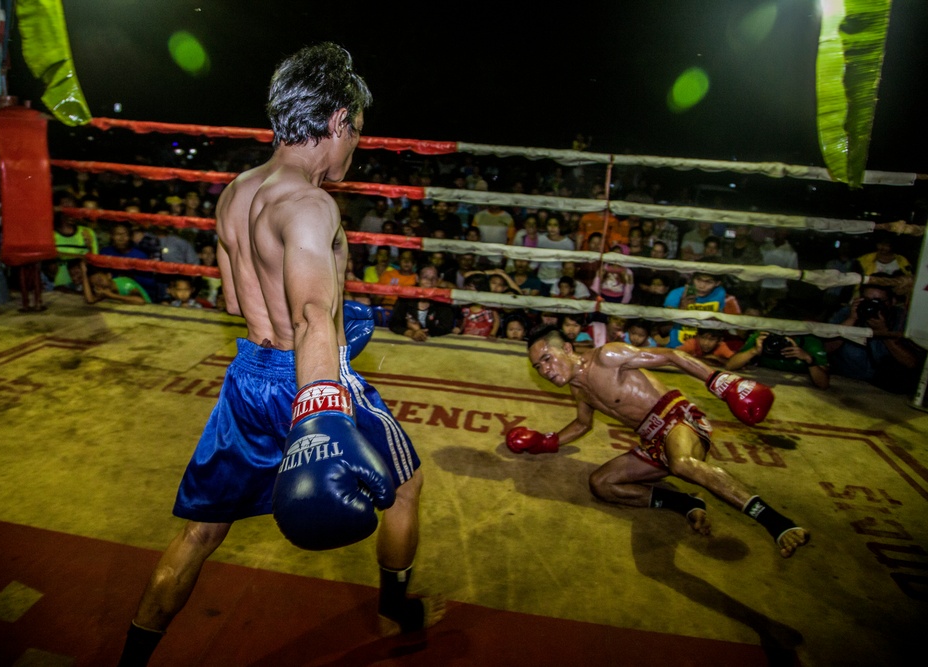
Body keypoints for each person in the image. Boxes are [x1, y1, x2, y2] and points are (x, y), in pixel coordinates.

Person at [117, 43, 443, 667]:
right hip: (310, 379)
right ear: (338, 121)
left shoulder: (235, 192)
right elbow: (311, 314)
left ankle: (132, 659)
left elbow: (243, 298)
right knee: (406, 487)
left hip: (247, 378)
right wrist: (322, 417)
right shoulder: (310, 204)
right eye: (358, 132)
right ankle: (397, 605)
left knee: (200, 533)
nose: (357, 147)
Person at [509, 326, 809, 558]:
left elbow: (670, 355)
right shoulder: (578, 389)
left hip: (678, 419)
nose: (545, 370)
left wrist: (719, 381)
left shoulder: (607, 356)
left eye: (547, 359)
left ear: (568, 348)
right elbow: (582, 424)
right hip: (654, 440)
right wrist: (545, 442)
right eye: (538, 367)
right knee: (601, 483)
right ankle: (685, 502)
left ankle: (778, 523)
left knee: (682, 463)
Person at [726, 331, 830, 389]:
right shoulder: (763, 337)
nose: (779, 343)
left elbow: (823, 384)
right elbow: (730, 366)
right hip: (763, 383)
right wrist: (754, 351)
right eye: (778, 334)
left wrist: (808, 359)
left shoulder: (811, 343)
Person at [388, 265, 455, 341]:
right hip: (407, 340)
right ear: (417, 278)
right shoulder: (406, 296)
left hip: (433, 341)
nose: (429, 281)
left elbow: (446, 327)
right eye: (425, 277)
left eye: (434, 278)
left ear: (438, 281)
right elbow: (394, 324)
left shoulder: (442, 299)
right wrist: (411, 333)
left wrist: (420, 331)